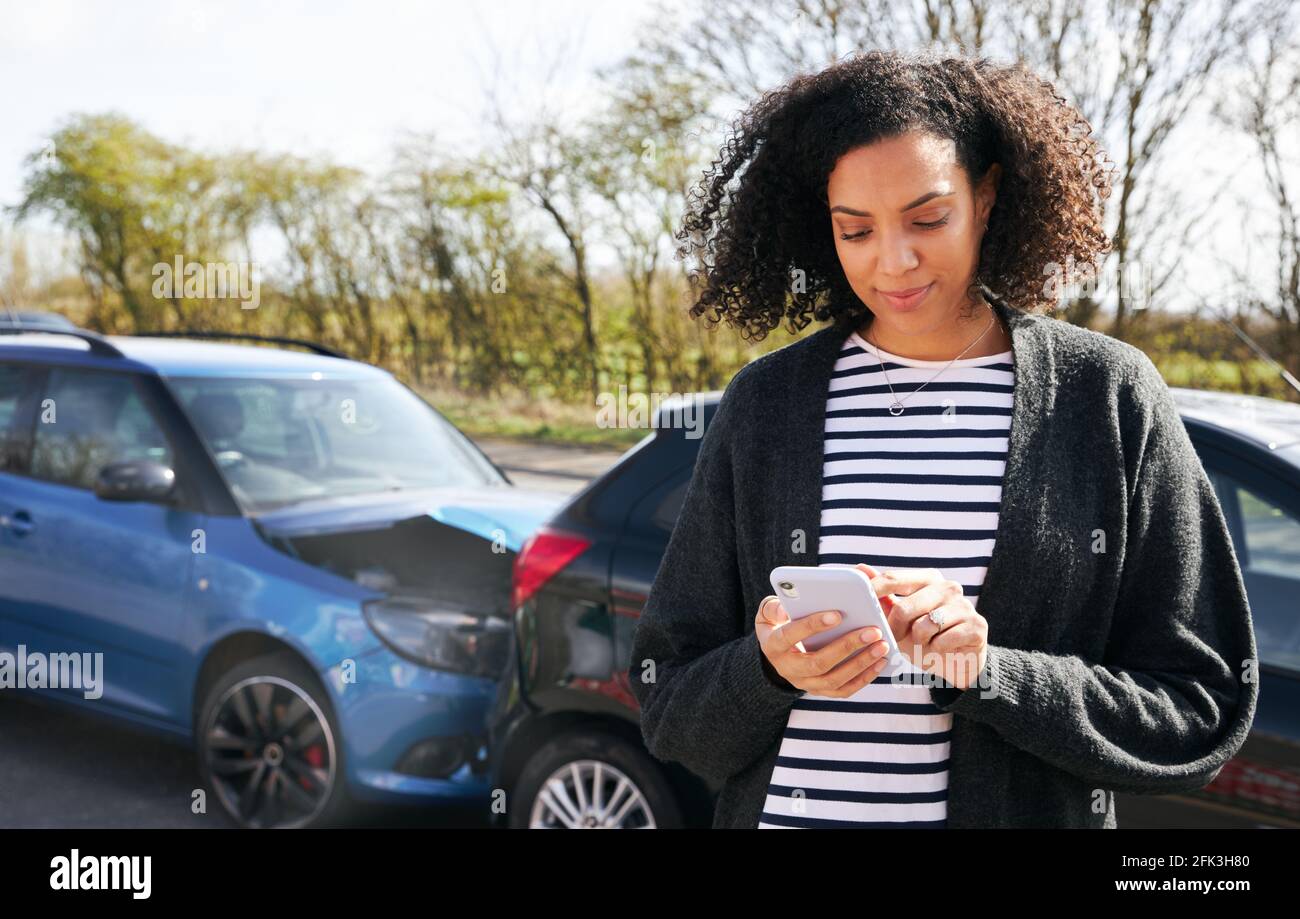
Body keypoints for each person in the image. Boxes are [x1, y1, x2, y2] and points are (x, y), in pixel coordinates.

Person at [628, 48, 1259, 829]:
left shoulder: (1108, 398)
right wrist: (765, 669)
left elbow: (1200, 704)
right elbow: (668, 699)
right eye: (854, 230)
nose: (893, 260)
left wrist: (990, 672)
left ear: (987, 197)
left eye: (928, 218)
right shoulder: (766, 403)